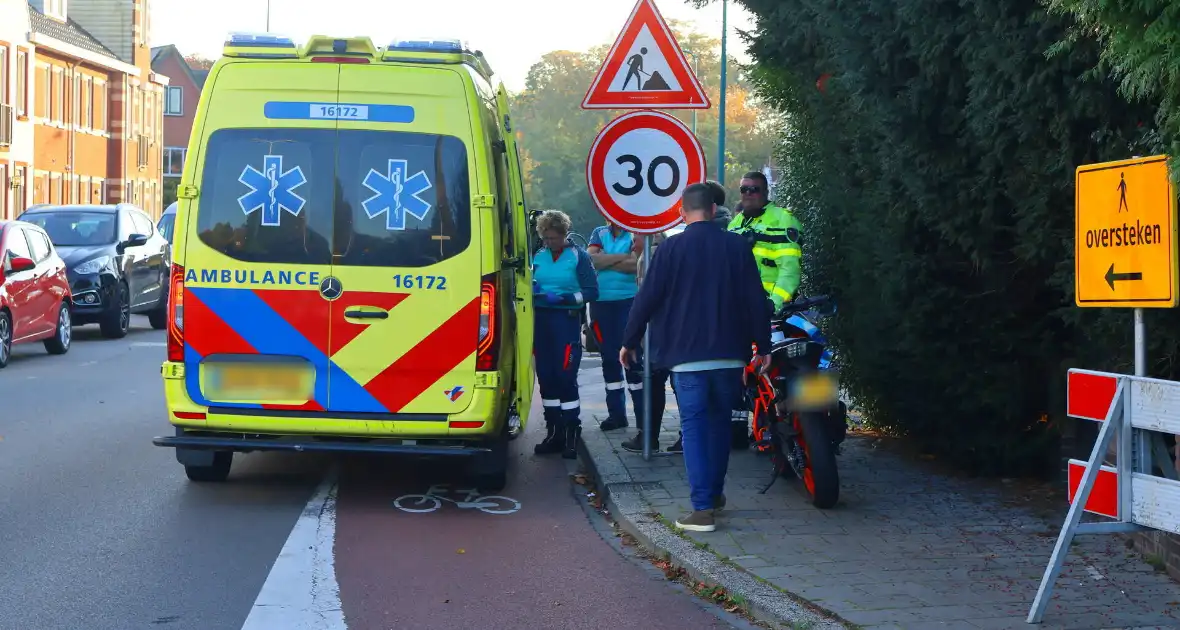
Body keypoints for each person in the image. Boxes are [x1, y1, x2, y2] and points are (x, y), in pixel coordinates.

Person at [619, 183, 771, 533]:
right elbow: (755, 299)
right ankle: (714, 495)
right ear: (715, 211)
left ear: (682, 213)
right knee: (718, 426)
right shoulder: (737, 246)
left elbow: (647, 299)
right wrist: (762, 346)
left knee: (695, 428)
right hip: (730, 356)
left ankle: (702, 508)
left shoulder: (671, 249)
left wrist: (629, 340)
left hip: (687, 357)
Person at [532, 210, 599, 459]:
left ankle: (572, 433)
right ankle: (554, 432)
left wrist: (566, 299)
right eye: (546, 238)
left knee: (564, 376)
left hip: (565, 321)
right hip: (541, 321)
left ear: (563, 234)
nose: (550, 242)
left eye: (553, 237)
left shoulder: (578, 257)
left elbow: (592, 291)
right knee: (547, 377)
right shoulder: (538, 256)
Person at [586, 221, 643, 433]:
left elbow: (635, 265)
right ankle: (616, 415)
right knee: (609, 359)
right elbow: (591, 260)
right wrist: (623, 258)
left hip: (629, 302)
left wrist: (606, 259)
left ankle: (642, 416)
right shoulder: (598, 232)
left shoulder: (635, 232)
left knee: (633, 358)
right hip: (601, 303)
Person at [727, 171, 803, 311]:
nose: (748, 193)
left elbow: (789, 269)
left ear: (765, 192)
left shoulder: (782, 220)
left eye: (754, 189)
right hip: (737, 308)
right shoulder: (735, 224)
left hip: (768, 309)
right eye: (744, 189)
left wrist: (774, 304)